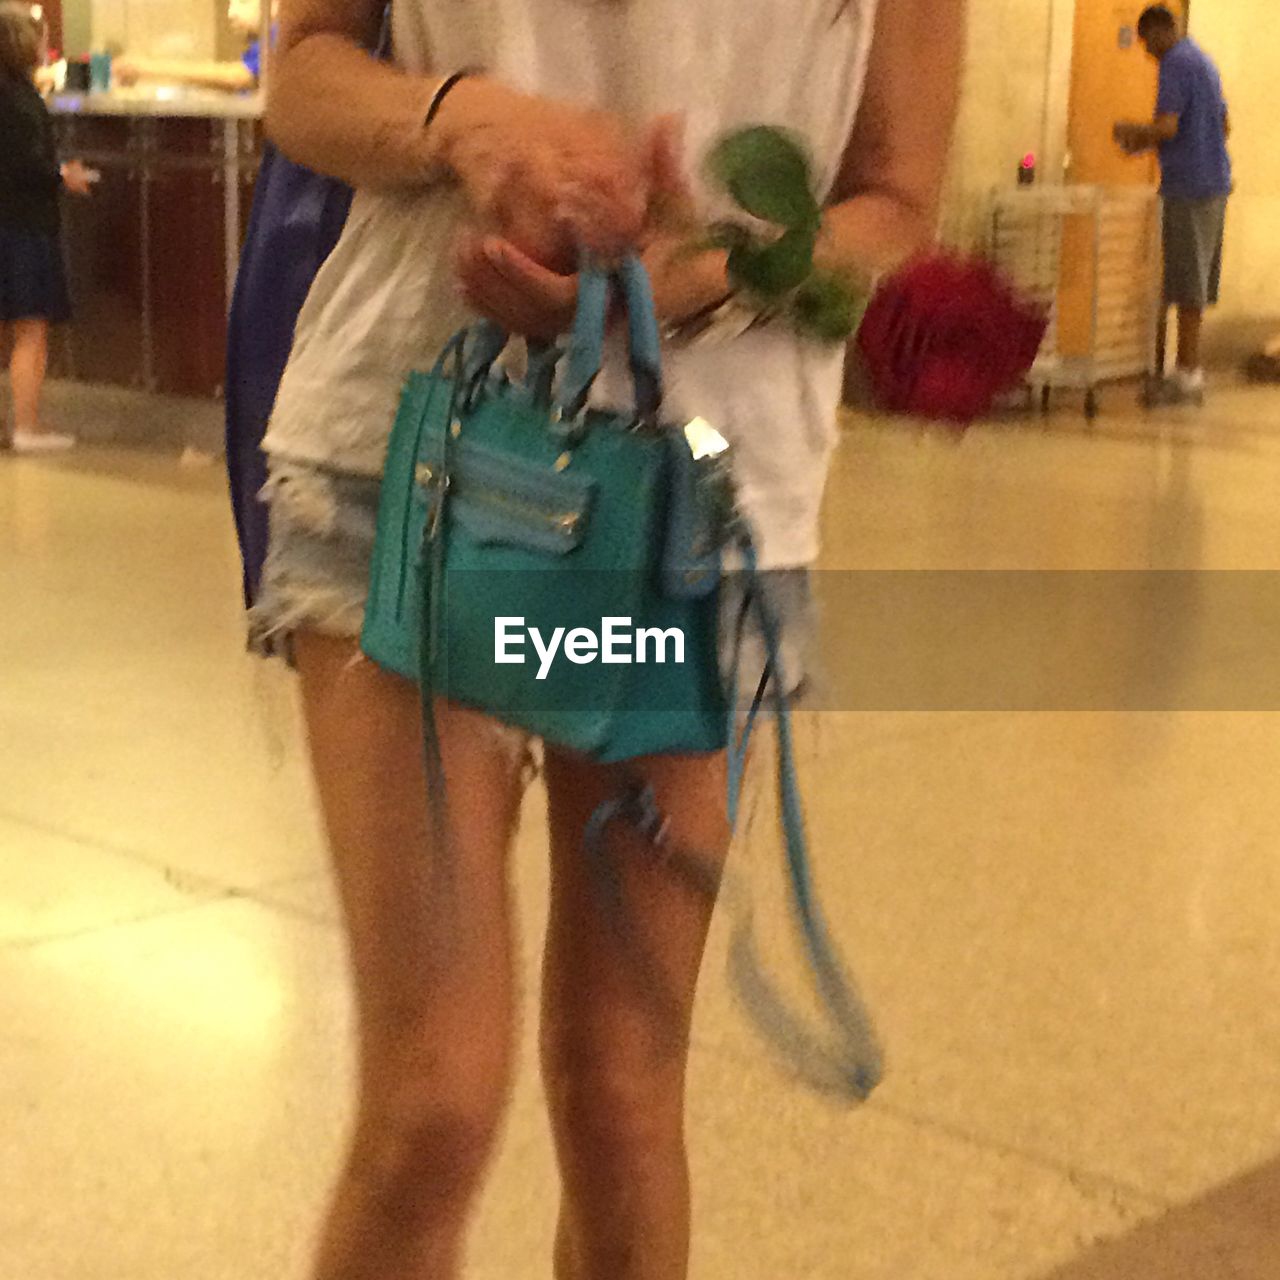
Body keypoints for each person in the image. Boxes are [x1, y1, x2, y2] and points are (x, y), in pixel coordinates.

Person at [250, 1, 962, 1277]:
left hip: (693, 514)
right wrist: (469, 118)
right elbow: (300, 72)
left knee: (623, 1095)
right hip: (402, 458)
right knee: (431, 1103)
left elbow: (896, 194)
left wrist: (711, 274)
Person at [1114, 4, 1231, 406]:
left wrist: (1132, 133)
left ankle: (1186, 375)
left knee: (1186, 283)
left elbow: (1167, 126)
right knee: (1193, 279)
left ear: (1162, 31)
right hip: (1214, 184)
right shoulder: (1204, 61)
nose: (1147, 51)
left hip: (1189, 187)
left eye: (1147, 41)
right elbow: (1225, 124)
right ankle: (1186, 370)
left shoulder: (1176, 63)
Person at [0, 0, 93, 454]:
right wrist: (62, 175)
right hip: (23, 225)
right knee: (30, 328)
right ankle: (28, 427)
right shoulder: (20, 101)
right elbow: (25, 165)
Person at [114, 0, 270, 94]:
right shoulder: (261, 46)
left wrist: (143, 69)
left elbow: (238, 77)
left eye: (243, 1)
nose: (231, 13)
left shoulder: (278, 34)